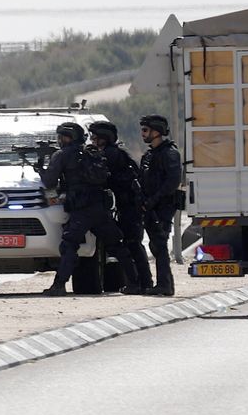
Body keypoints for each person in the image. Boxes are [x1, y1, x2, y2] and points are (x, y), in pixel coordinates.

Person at [40, 121, 139, 296]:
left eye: (61, 137)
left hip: (80, 209)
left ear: (66, 137)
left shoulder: (62, 155)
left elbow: (49, 182)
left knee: (69, 245)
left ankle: (59, 285)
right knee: (117, 245)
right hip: (100, 207)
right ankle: (134, 282)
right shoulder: (92, 152)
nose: (59, 140)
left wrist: (41, 169)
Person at [88, 121, 150, 294]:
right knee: (133, 245)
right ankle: (144, 283)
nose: (93, 141)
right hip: (127, 206)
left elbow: (103, 178)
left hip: (129, 207)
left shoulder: (110, 154)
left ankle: (139, 283)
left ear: (104, 138)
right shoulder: (115, 153)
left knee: (132, 244)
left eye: (95, 138)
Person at [138, 114, 182, 296]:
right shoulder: (149, 155)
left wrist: (153, 200)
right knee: (156, 246)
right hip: (150, 206)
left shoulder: (170, 153)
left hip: (163, 206)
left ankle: (165, 285)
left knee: (160, 245)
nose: (142, 134)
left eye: (146, 130)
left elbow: (172, 182)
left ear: (157, 132)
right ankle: (164, 284)